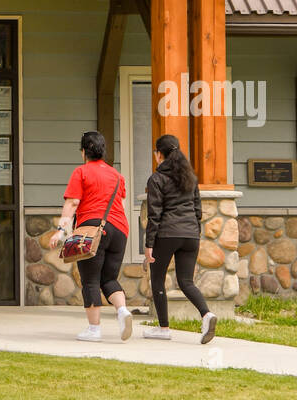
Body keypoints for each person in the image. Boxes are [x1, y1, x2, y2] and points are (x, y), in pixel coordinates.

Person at [49, 130, 133, 342]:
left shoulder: (82, 172)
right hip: (120, 231)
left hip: (93, 229)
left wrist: (61, 230)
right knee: (109, 278)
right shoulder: (117, 176)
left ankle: (94, 330)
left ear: (84, 151)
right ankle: (122, 311)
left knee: (90, 280)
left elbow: (73, 202)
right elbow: (120, 205)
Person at [143, 133, 217, 344]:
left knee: (157, 279)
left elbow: (154, 214)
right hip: (191, 235)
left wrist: (149, 245)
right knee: (186, 281)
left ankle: (164, 328)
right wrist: (195, 232)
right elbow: (197, 209)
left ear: (159, 154)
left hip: (167, 234)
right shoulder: (190, 178)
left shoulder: (156, 179)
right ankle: (206, 314)